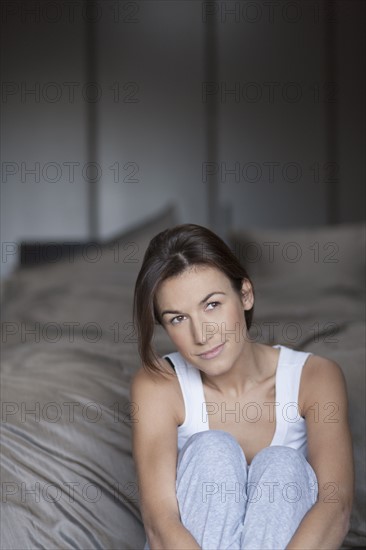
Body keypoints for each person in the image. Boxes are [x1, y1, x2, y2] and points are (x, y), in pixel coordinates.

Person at [130, 223, 354, 550]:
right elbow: (159, 521)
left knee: (283, 465)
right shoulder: (157, 385)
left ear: (245, 295)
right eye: (178, 318)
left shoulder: (316, 377)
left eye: (212, 305)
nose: (201, 335)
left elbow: (336, 508)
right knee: (212, 450)